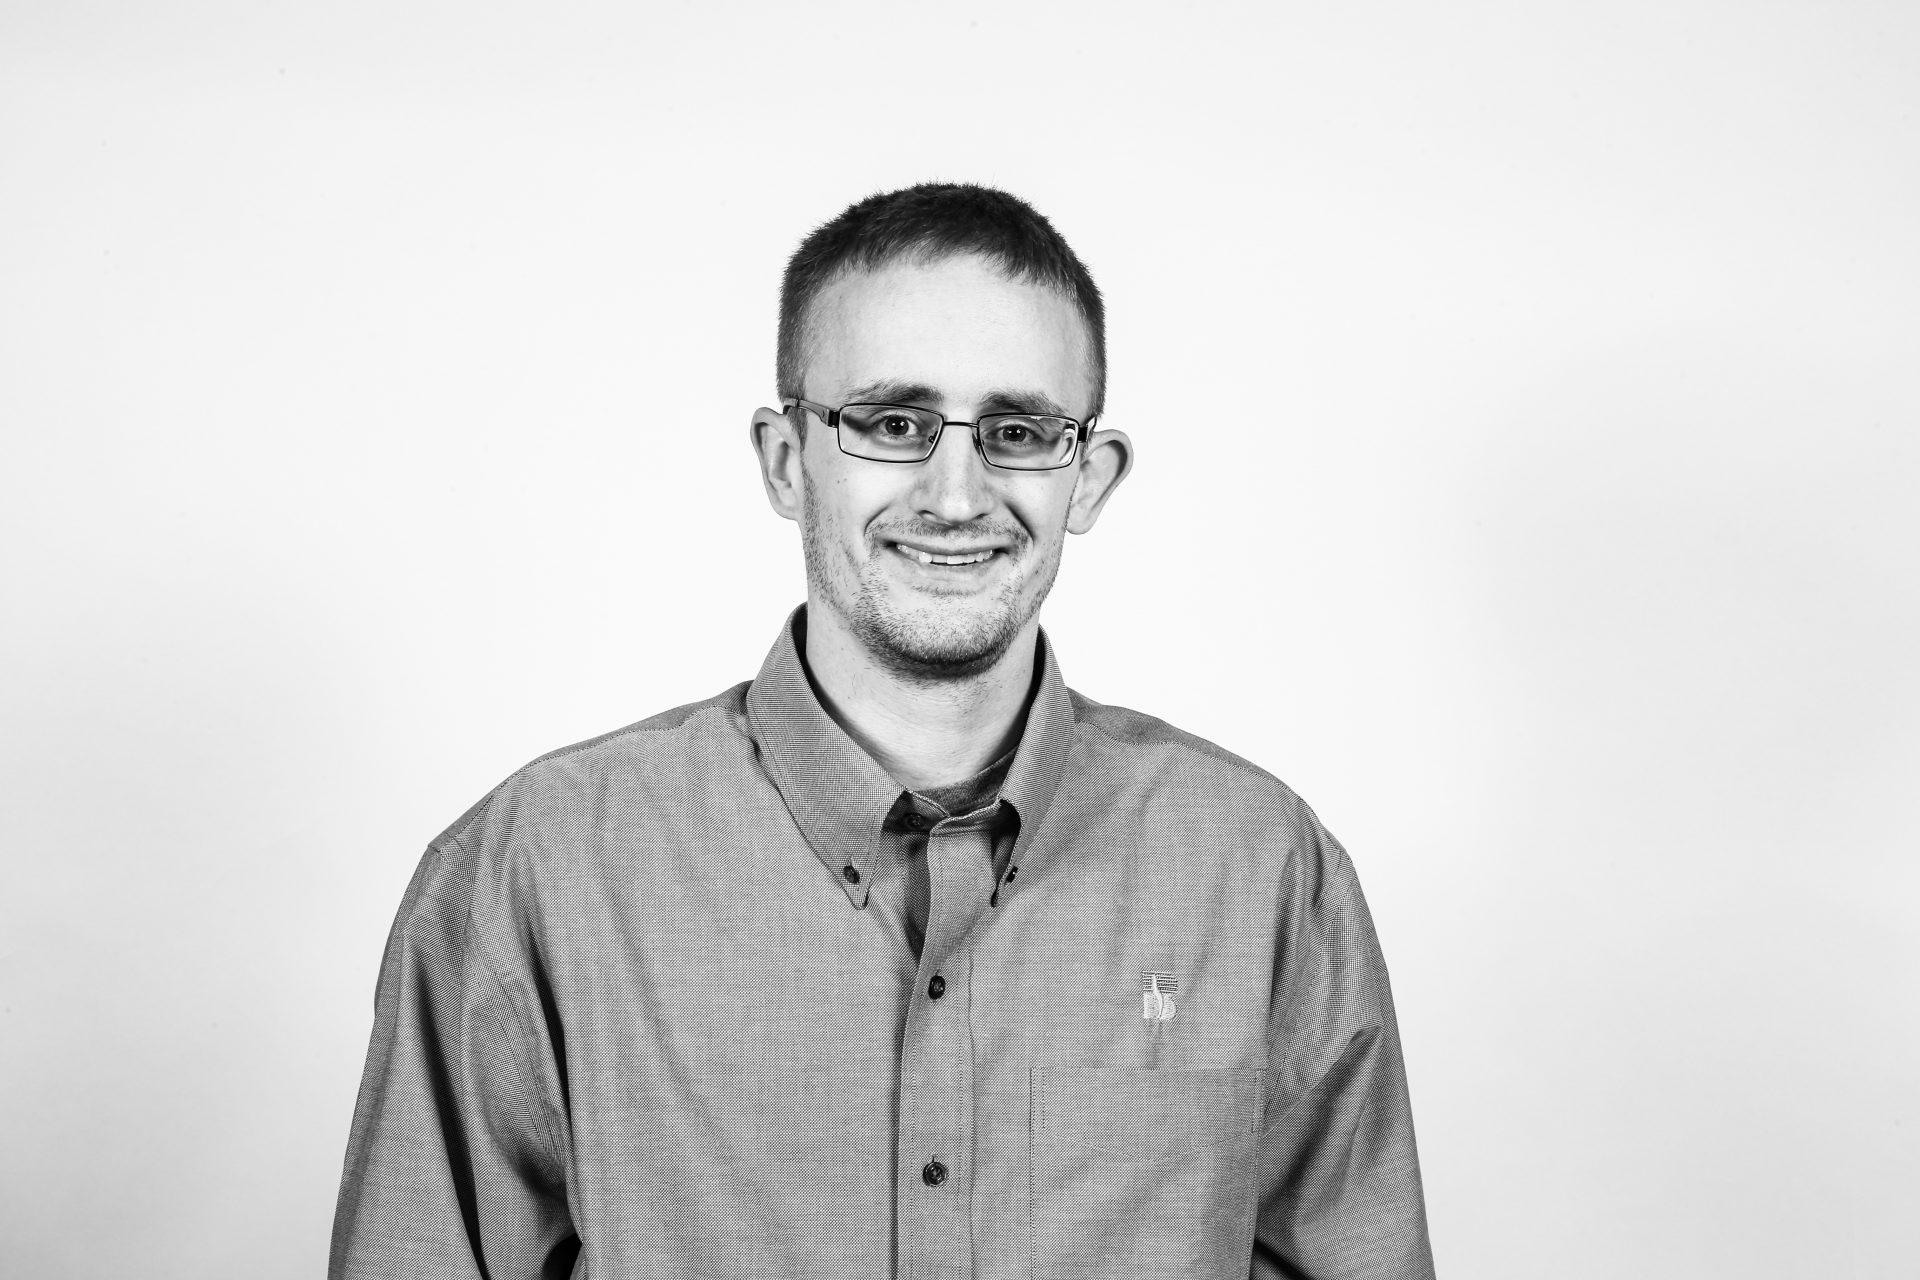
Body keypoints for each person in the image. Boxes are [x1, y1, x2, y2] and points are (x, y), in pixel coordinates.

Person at [329, 182, 1436, 1280]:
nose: (955, 495)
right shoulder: (537, 872)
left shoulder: (1261, 869)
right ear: (785, 459)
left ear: (1087, 480)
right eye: (894, 424)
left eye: (1017, 431)